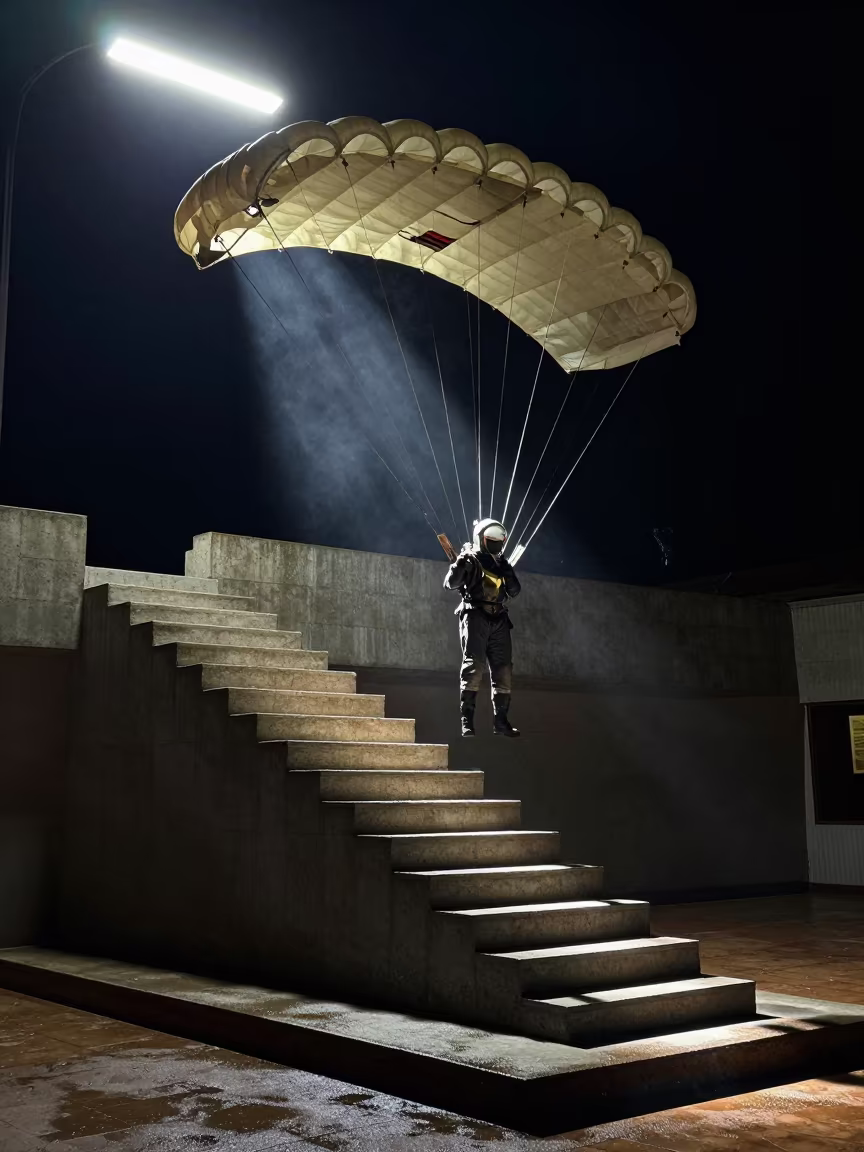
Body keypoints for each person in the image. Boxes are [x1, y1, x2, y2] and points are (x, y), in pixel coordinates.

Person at [444, 518, 521, 738]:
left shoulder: (501, 564)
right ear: (481, 539)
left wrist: (507, 571)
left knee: (503, 669)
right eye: (491, 540)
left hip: (499, 619)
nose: (496, 544)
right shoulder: (470, 559)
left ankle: (501, 722)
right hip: (475, 615)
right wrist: (460, 562)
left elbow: (514, 591)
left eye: (499, 540)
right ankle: (467, 721)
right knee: (473, 667)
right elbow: (450, 583)